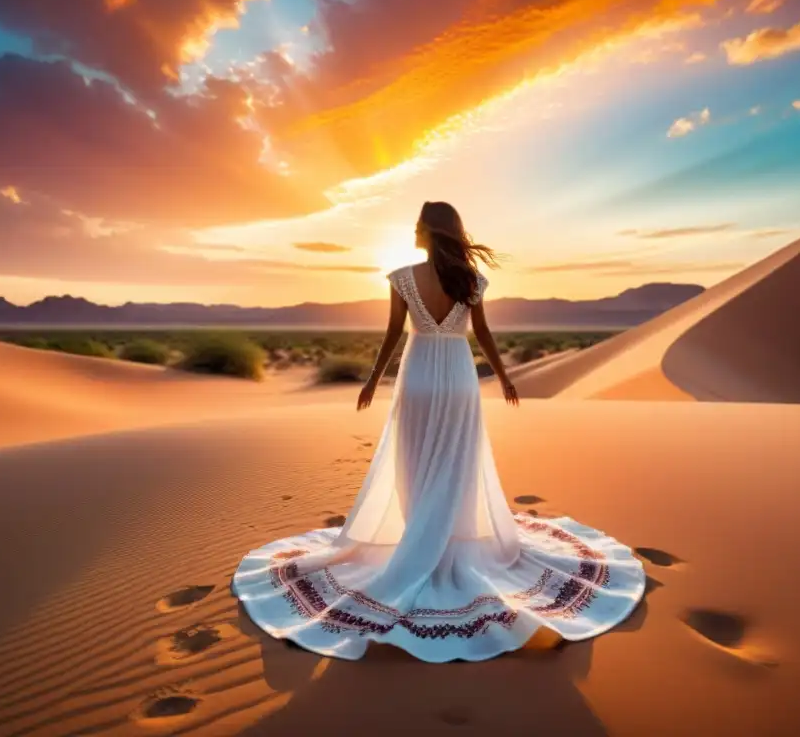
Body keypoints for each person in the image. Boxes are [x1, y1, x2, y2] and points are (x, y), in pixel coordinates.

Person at [233, 201, 645, 662]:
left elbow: (392, 335)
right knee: (456, 460)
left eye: (416, 226)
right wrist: (503, 375)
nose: (412, 231)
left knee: (413, 459)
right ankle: (445, 536)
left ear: (428, 232)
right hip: (458, 377)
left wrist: (373, 379)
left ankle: (420, 537)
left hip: (419, 376)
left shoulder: (402, 277)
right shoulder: (472, 282)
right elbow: (483, 334)